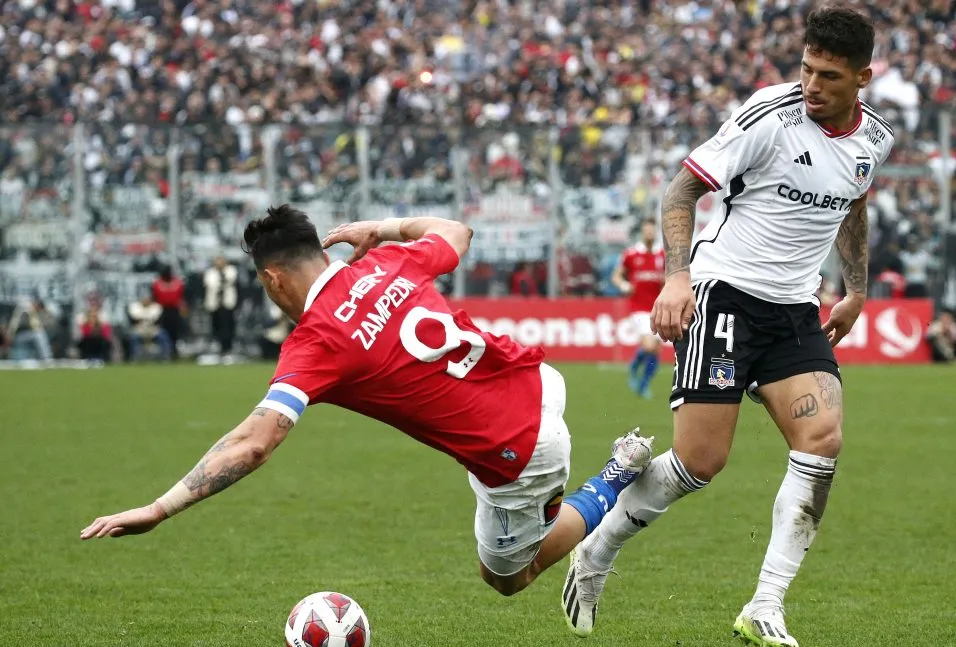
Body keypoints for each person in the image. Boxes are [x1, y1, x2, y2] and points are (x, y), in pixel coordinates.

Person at [81, 206, 655, 602]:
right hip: (537, 381)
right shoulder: (386, 261)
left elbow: (254, 444)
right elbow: (456, 230)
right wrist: (384, 228)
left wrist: (159, 508)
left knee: (508, 578)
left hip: (517, 450)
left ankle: (613, 481)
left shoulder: (315, 342)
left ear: (273, 278)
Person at [560, 7, 892, 647]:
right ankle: (597, 546)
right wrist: (677, 277)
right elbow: (681, 189)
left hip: (795, 311)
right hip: (723, 295)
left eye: (828, 75)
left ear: (863, 77)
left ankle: (765, 603)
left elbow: (854, 203)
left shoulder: (872, 140)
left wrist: (856, 288)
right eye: (806, 68)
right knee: (700, 462)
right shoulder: (770, 115)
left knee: (822, 439)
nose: (812, 84)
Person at [612, 217, 666, 399]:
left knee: (657, 349)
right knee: (649, 346)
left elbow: (669, 278)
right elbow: (617, 276)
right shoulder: (631, 254)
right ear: (642, 232)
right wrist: (624, 286)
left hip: (658, 307)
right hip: (639, 307)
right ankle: (634, 367)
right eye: (646, 230)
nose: (649, 233)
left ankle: (643, 385)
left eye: (652, 230)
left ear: (655, 231)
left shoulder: (663, 254)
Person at [203, 256, 239, 357]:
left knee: (228, 328)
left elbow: (233, 282)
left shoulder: (231, 271)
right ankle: (219, 348)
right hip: (214, 305)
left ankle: (228, 349)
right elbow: (208, 286)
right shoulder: (210, 273)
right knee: (216, 327)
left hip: (228, 304)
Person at [152, 265, 186, 360]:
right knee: (163, 331)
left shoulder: (177, 283)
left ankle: (174, 350)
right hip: (162, 310)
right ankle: (165, 351)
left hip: (174, 310)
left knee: (175, 331)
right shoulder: (157, 283)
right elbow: (156, 297)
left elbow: (180, 296)